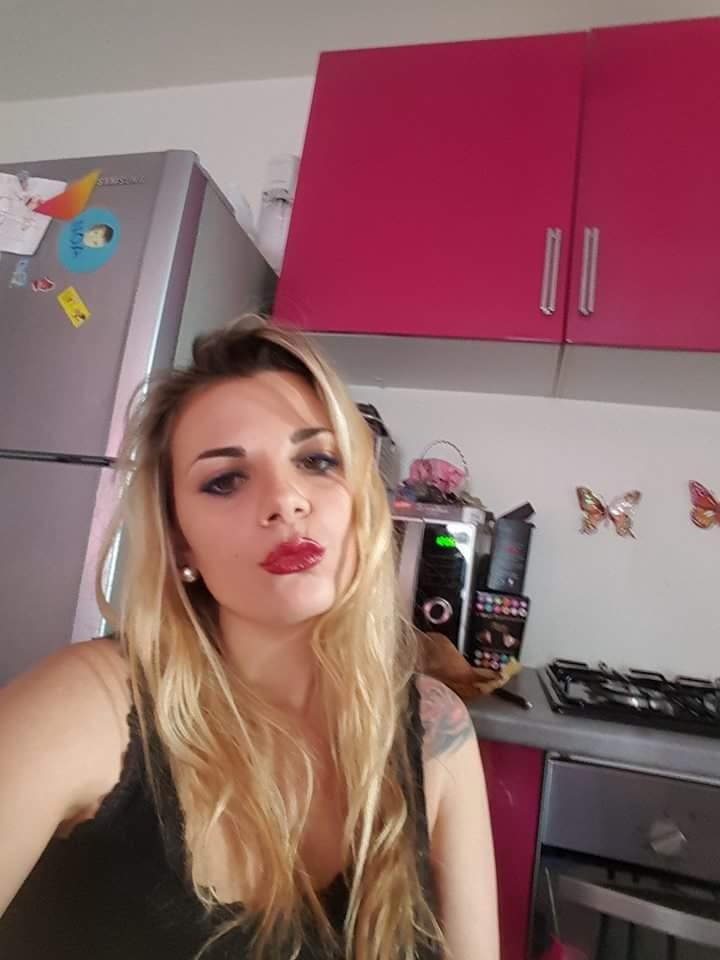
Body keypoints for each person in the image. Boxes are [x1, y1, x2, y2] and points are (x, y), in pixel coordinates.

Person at [0, 320, 498, 960]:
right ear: (181, 543)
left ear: (361, 501)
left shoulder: (436, 729)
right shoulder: (88, 704)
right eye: (225, 480)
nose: (285, 500)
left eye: (317, 461)